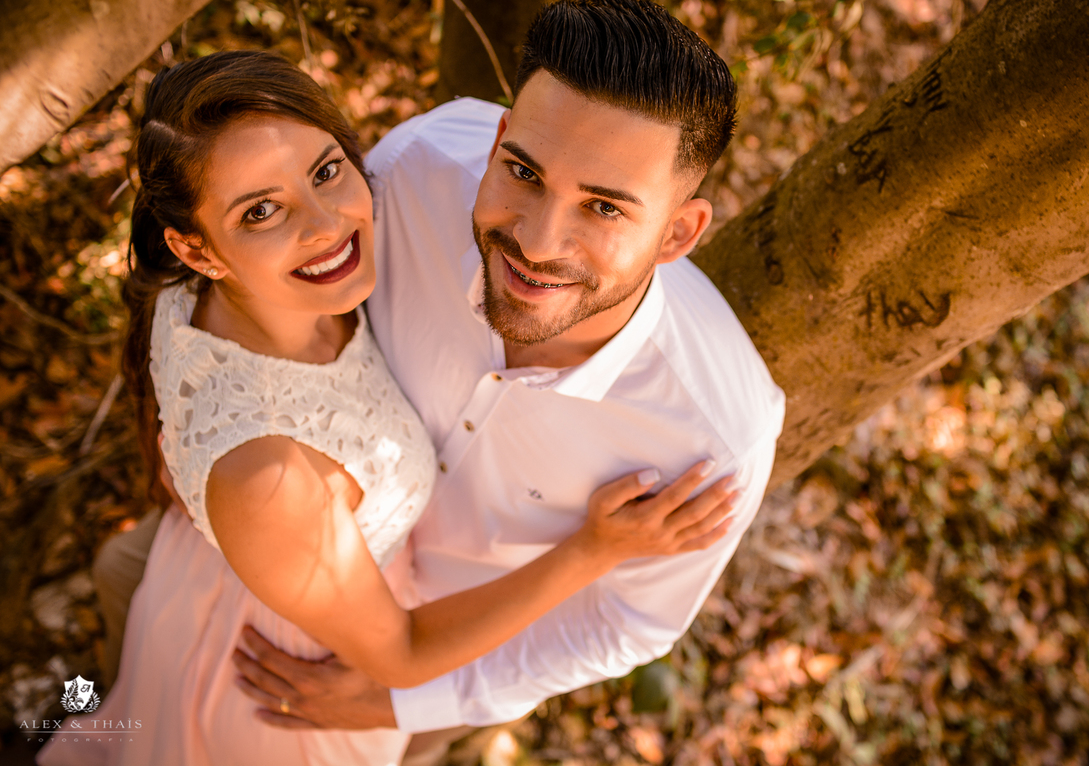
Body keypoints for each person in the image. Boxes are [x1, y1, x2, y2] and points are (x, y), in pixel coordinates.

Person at [37, 49, 737, 766]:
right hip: (280, 684)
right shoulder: (269, 474)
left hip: (233, 587)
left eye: (325, 172)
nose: (325, 224)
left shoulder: (272, 291)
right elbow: (400, 654)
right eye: (261, 211)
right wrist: (594, 549)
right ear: (197, 250)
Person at [229, 0, 787, 763]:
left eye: (604, 208)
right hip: (261, 556)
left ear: (678, 233)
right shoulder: (415, 172)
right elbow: (268, 289)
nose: (538, 240)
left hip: (444, 662)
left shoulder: (715, 438)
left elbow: (622, 628)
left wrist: (403, 700)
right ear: (496, 141)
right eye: (523, 172)